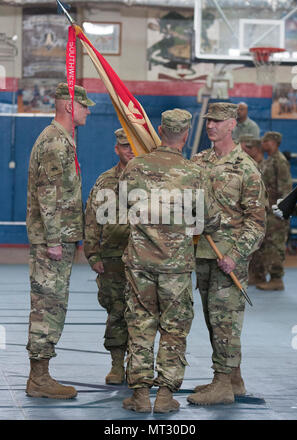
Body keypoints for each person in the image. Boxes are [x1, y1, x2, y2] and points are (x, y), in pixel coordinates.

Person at [120, 109, 220, 414]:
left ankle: (139, 394)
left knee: (140, 324)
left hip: (139, 262)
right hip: (176, 265)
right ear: (187, 134)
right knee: (174, 328)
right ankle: (164, 394)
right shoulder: (194, 173)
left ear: (161, 129)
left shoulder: (135, 167)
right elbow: (210, 220)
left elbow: (122, 206)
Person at [187, 102, 267, 406]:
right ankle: (233, 378)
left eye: (218, 121)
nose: (211, 126)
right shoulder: (198, 162)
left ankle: (222, 384)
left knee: (225, 321)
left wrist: (236, 254)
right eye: (209, 121)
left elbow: (257, 222)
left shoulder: (247, 168)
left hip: (229, 258)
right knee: (214, 320)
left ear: (232, 125)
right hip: (204, 254)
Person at [26, 82, 95, 399]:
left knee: (52, 305)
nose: (88, 111)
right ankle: (39, 378)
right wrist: (55, 239)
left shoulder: (61, 139)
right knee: (47, 307)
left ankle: (41, 375)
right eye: (84, 106)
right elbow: (48, 195)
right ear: (70, 106)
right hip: (51, 242)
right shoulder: (55, 143)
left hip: (60, 238)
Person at [84, 128, 134, 384]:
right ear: (117, 149)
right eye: (125, 146)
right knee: (116, 312)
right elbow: (92, 220)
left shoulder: (151, 180)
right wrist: (93, 255)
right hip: (113, 259)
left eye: (133, 144)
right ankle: (117, 365)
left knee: (141, 315)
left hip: (143, 260)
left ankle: (137, 365)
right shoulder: (105, 182)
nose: (130, 149)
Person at [255, 132, 293, 291]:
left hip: (276, 212)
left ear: (274, 143)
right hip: (266, 210)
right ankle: (261, 274)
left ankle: (277, 279)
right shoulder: (267, 161)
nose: (262, 143)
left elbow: (285, 189)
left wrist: (281, 212)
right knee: (265, 245)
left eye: (266, 141)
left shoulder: (280, 162)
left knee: (275, 245)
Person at [240, 136, 268, 285]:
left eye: (248, 147)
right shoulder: (250, 165)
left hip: (263, 209)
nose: (244, 150)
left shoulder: (261, 166)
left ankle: (261, 275)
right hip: (254, 208)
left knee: (262, 246)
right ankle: (255, 274)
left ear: (256, 149)